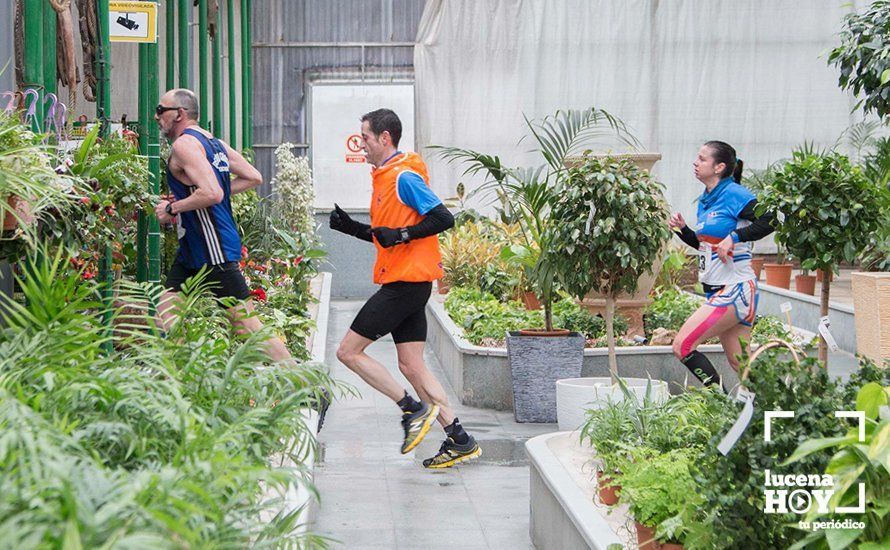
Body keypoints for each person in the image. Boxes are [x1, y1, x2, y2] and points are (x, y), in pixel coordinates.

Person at [330, 108, 481, 468]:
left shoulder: (404, 177)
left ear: (385, 138)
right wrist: (352, 228)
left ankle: (411, 408)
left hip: (405, 284)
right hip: (408, 280)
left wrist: (401, 234)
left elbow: (444, 218)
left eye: (365, 137)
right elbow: (390, 235)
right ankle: (460, 439)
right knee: (412, 366)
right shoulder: (385, 178)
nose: (361, 144)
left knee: (348, 353)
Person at [153, 88, 294, 365]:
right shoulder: (212, 142)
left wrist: (172, 207)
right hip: (195, 248)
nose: (156, 117)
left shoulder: (184, 145)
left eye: (161, 110)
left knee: (246, 326)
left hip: (212, 247)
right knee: (166, 313)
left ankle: (305, 385)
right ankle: (183, 377)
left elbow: (213, 193)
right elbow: (252, 176)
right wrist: (190, 198)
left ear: (179, 114)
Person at [669, 141, 775, 390]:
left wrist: (735, 237)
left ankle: (722, 404)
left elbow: (769, 220)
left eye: (702, 159)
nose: (695, 162)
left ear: (719, 167)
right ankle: (785, 407)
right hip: (719, 289)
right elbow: (707, 247)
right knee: (742, 363)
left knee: (682, 345)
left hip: (734, 290)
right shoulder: (707, 200)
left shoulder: (734, 194)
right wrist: (683, 230)